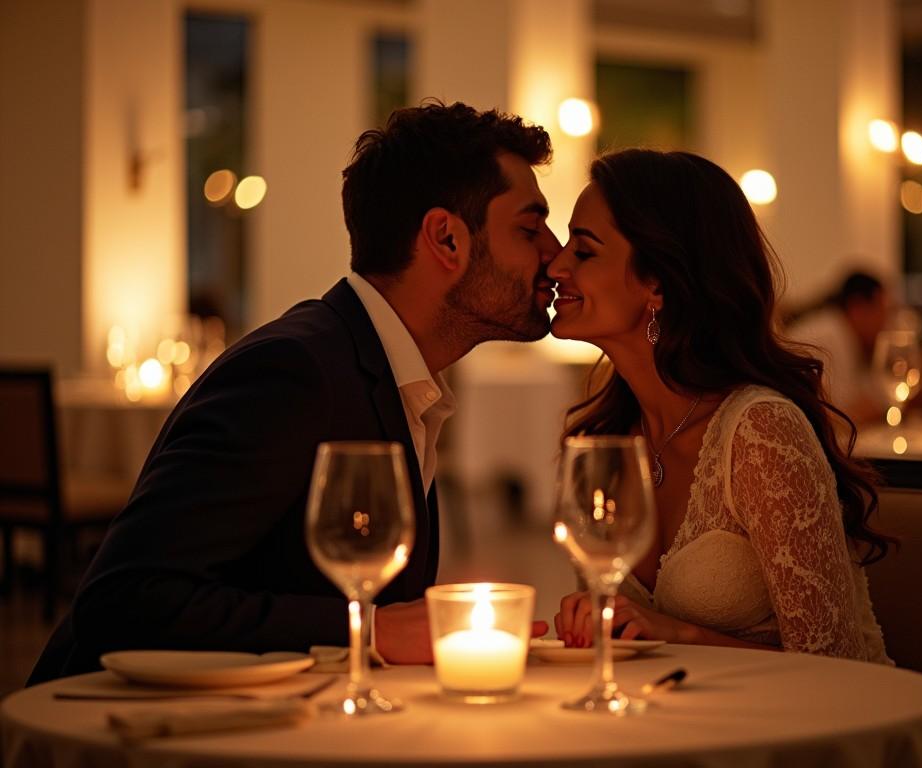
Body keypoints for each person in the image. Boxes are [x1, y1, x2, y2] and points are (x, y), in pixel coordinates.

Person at [29, 102, 559, 683]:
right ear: (446, 239)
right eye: (531, 230)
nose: (555, 255)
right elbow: (125, 599)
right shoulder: (294, 371)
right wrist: (372, 630)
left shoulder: (387, 371)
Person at [547, 149, 892, 663]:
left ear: (657, 284)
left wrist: (675, 633)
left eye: (585, 249)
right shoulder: (602, 440)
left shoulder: (760, 432)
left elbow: (836, 663)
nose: (556, 265)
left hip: (806, 733)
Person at [786, 271, 890, 426]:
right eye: (882, 311)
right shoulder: (829, 336)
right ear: (858, 307)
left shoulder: (845, 334)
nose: (886, 322)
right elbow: (840, 417)